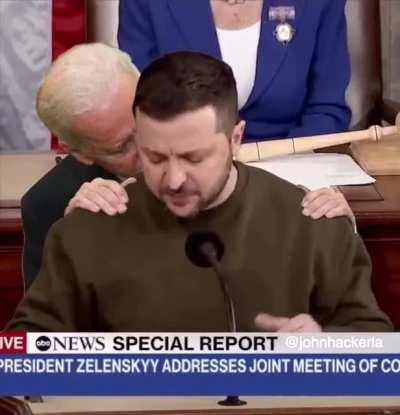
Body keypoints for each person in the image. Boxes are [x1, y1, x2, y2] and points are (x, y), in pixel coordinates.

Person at [9, 51, 391, 332]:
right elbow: (22, 352)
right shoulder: (88, 227)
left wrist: (324, 346)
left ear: (235, 139)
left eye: (194, 158)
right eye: (154, 157)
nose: (174, 179)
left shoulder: (314, 223)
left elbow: (373, 342)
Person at [118, 0, 351, 142]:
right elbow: (143, 107)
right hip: (183, 168)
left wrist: (285, 167)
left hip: (290, 167)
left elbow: (327, 109)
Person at [21, 43, 141, 289]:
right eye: (122, 148)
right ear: (79, 152)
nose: (149, 148)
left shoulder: (205, 143)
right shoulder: (48, 204)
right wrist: (74, 245)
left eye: (145, 121)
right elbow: (44, 312)